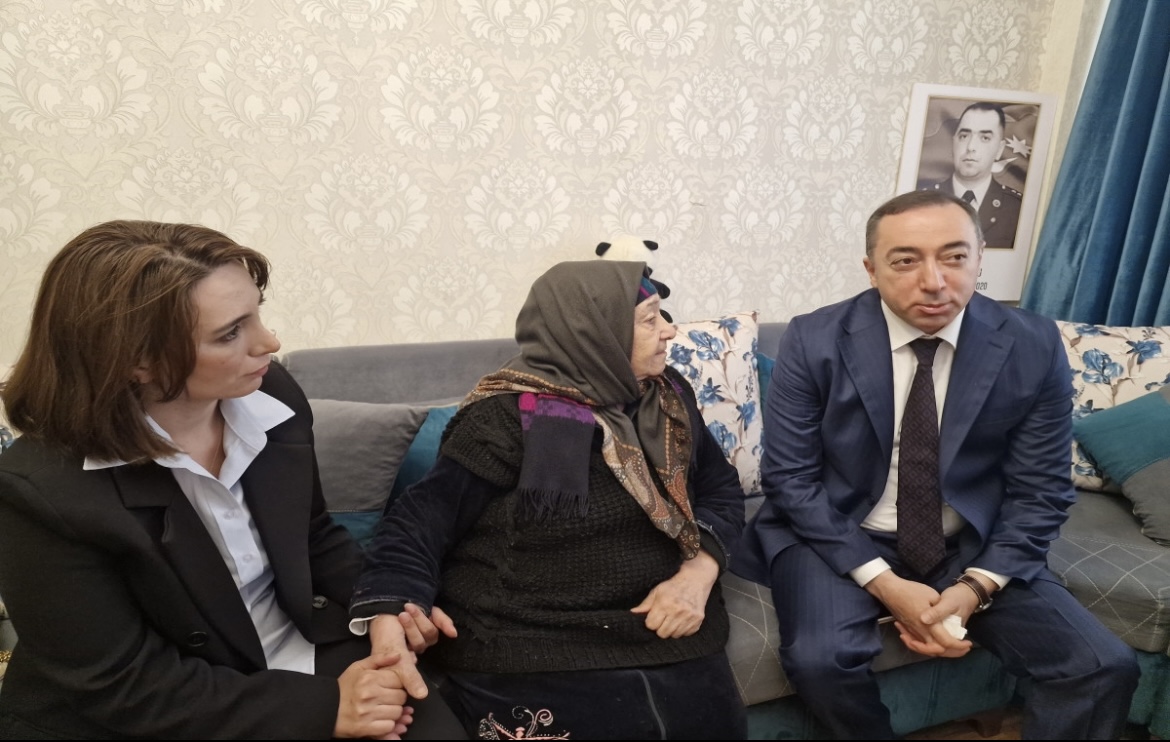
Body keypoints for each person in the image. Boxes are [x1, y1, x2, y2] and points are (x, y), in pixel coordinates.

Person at [0, 221, 462, 739]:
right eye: (230, 333)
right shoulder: (38, 492)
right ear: (136, 361)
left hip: (299, 650)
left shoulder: (272, 394)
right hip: (160, 708)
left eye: (257, 314)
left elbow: (311, 537)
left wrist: (379, 605)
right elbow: (122, 684)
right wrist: (327, 708)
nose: (270, 342)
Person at [732, 190, 1140, 739]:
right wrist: (885, 584)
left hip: (966, 540)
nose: (934, 281)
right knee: (820, 660)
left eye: (954, 257)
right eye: (905, 261)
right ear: (871, 270)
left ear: (978, 259)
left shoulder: (1032, 343)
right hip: (839, 533)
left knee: (1102, 665)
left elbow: (1041, 490)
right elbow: (791, 480)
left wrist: (975, 588)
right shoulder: (816, 337)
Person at [349, 260, 748, 740]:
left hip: (667, 629)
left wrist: (697, 575)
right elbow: (419, 524)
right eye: (649, 320)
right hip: (533, 639)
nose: (669, 330)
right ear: (595, 334)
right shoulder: (504, 418)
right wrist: (390, 611)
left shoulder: (668, 397)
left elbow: (721, 489)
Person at [919, 101, 1022, 248]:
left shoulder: (1016, 209)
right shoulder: (923, 202)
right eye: (964, 136)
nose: (971, 147)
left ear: (999, 150)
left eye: (985, 138)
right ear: (953, 142)